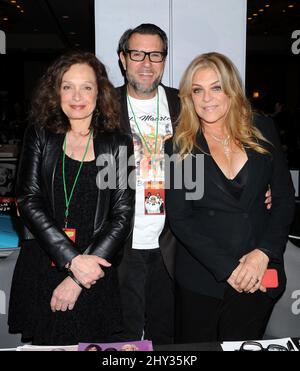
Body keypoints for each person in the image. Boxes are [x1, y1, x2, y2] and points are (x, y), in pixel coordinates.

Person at [165, 52, 295, 343]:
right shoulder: (180, 146)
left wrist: (263, 254)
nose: (206, 98)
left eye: (216, 87)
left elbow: (285, 199)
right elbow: (181, 219)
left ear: (232, 90)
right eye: (198, 90)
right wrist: (230, 269)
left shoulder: (262, 130)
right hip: (203, 280)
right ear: (189, 97)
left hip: (259, 274)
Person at [8, 51, 135, 345]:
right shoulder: (40, 134)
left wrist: (80, 275)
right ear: (57, 91)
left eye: (86, 87)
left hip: (94, 272)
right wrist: (71, 260)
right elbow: (28, 199)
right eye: (68, 86)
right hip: (44, 263)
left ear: (99, 93)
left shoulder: (118, 144)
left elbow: (122, 214)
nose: (77, 95)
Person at [116, 23, 180, 345]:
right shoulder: (104, 106)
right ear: (123, 58)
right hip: (119, 244)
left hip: (174, 244)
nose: (146, 63)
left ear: (164, 60)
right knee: (122, 337)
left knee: (166, 338)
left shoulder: (186, 105)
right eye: (137, 53)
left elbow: (215, 159)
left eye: (155, 55)